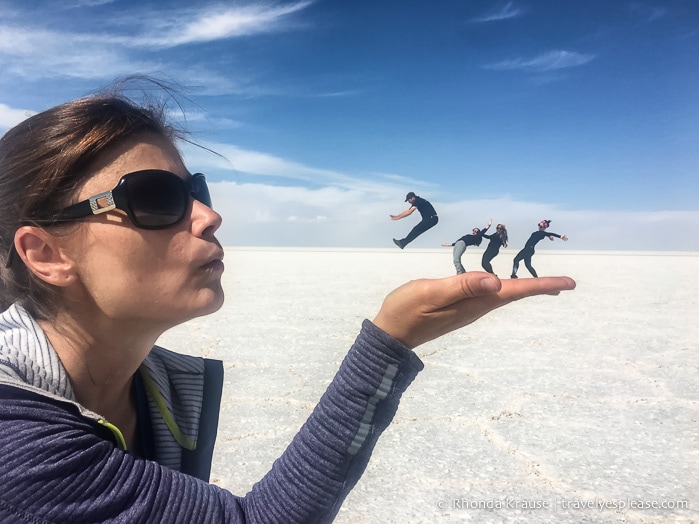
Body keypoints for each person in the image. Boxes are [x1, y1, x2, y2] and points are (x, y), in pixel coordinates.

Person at [0, 84, 575, 523]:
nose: (209, 215)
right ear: (46, 254)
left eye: (195, 191)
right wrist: (389, 343)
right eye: (155, 198)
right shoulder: (16, 449)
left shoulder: (153, 390)